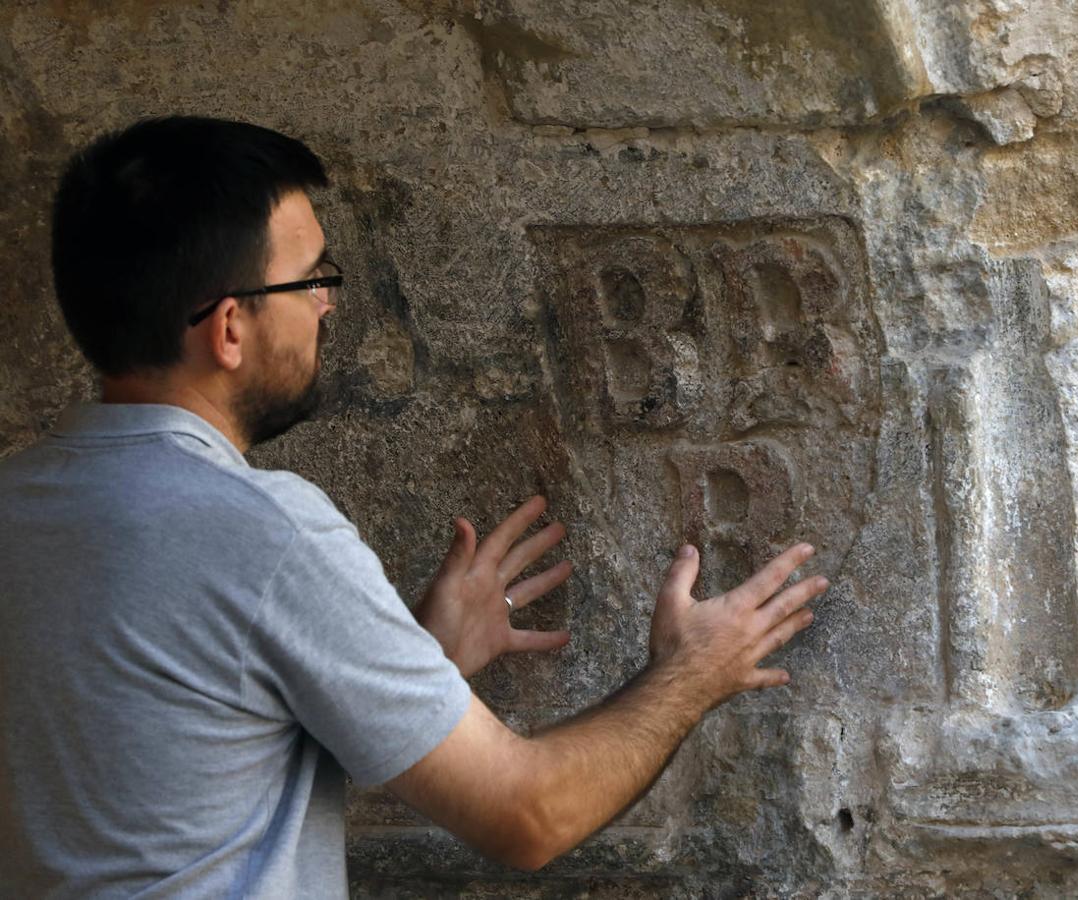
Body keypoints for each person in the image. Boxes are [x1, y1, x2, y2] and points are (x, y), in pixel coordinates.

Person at [0, 116, 827, 897]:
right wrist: (693, 671)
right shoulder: (267, 534)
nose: (327, 302)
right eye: (312, 278)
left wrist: (414, 659)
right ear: (228, 330)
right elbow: (527, 814)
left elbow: (177, 764)